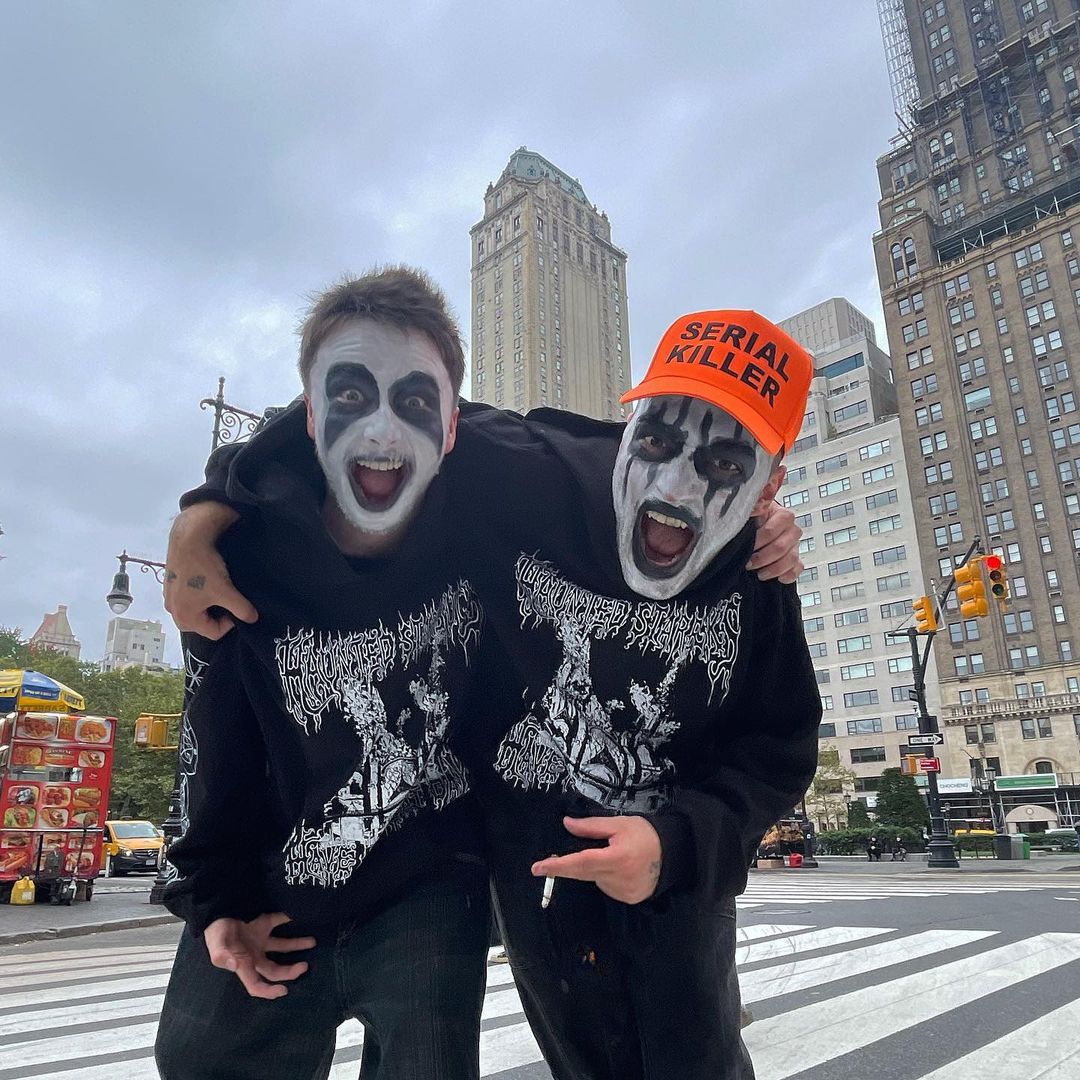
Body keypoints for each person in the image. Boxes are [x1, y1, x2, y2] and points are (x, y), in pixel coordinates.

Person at [165, 303, 813, 1080]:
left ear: (769, 485)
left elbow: (778, 749)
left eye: (727, 467)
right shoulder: (533, 471)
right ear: (628, 429)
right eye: (657, 442)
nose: (675, 487)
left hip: (674, 878)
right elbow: (366, 406)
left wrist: (676, 845)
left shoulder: (756, 572)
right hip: (536, 866)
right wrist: (209, 508)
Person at [155, 268, 494, 1080]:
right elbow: (215, 739)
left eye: (415, 401)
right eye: (348, 396)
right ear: (310, 418)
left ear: (452, 427)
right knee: (199, 1059)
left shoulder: (492, 518)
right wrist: (217, 903)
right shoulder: (245, 555)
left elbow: (603, 463)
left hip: (427, 884)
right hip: (272, 881)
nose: (381, 428)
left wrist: (757, 519)